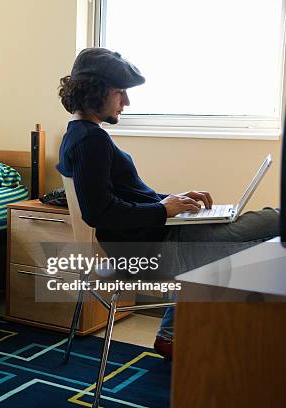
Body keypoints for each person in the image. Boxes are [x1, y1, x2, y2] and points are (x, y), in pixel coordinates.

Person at [56, 47, 279, 360]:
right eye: (120, 92)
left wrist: (174, 200)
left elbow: (122, 197)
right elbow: (99, 211)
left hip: (158, 239)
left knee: (264, 222)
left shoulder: (80, 135)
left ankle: (171, 335)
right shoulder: (91, 140)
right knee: (275, 226)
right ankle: (207, 338)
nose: (127, 102)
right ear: (96, 92)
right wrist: (163, 210)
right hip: (154, 249)